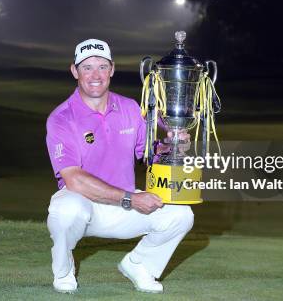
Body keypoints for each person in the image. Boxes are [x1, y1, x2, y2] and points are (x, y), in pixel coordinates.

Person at [45, 38, 194, 294]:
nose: (95, 75)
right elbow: (74, 180)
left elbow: (149, 155)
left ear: (112, 69)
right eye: (87, 67)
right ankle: (63, 270)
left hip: (124, 209)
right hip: (85, 205)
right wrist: (130, 199)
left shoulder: (129, 108)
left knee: (181, 216)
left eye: (102, 67)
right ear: (74, 71)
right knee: (66, 210)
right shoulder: (62, 117)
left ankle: (140, 265)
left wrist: (171, 147)